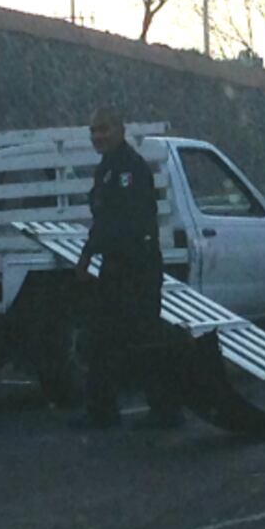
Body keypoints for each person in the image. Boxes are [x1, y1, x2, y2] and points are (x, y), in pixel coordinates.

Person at [71, 107, 183, 430]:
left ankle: (166, 410)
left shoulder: (131, 169)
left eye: (103, 129)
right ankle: (101, 412)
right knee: (102, 340)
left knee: (145, 339)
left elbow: (123, 222)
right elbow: (102, 220)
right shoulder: (105, 169)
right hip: (115, 267)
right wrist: (86, 257)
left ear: (120, 130)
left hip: (138, 268)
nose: (97, 136)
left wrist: (96, 253)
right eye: (93, 131)